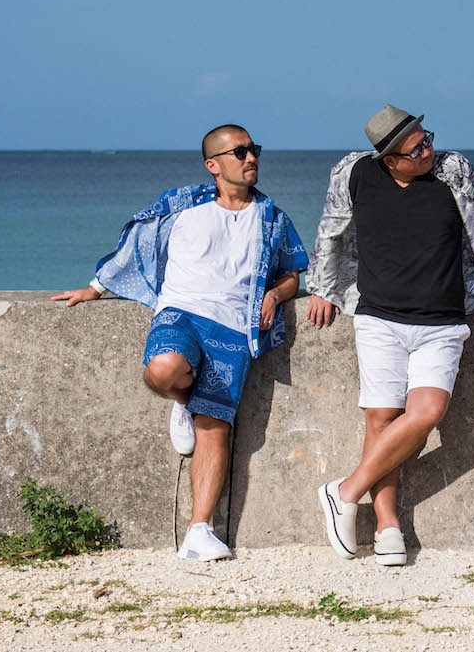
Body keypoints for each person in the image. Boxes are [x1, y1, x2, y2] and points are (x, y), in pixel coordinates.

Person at [52, 125, 307, 561]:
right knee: (163, 369)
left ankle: (199, 531)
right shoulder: (182, 205)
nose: (251, 158)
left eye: (254, 150)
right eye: (239, 152)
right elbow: (136, 241)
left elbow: (292, 272)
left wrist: (275, 294)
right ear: (213, 165)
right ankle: (183, 397)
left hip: (233, 329)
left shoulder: (273, 218)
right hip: (181, 313)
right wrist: (94, 289)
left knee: (215, 427)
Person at [305, 104, 474, 566]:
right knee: (380, 417)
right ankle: (386, 524)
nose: (428, 150)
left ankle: (345, 491)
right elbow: (331, 229)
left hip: (442, 320)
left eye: (427, 138)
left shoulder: (452, 171)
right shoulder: (355, 173)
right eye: (415, 149)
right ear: (388, 160)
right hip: (377, 316)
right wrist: (322, 286)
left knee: (427, 412)